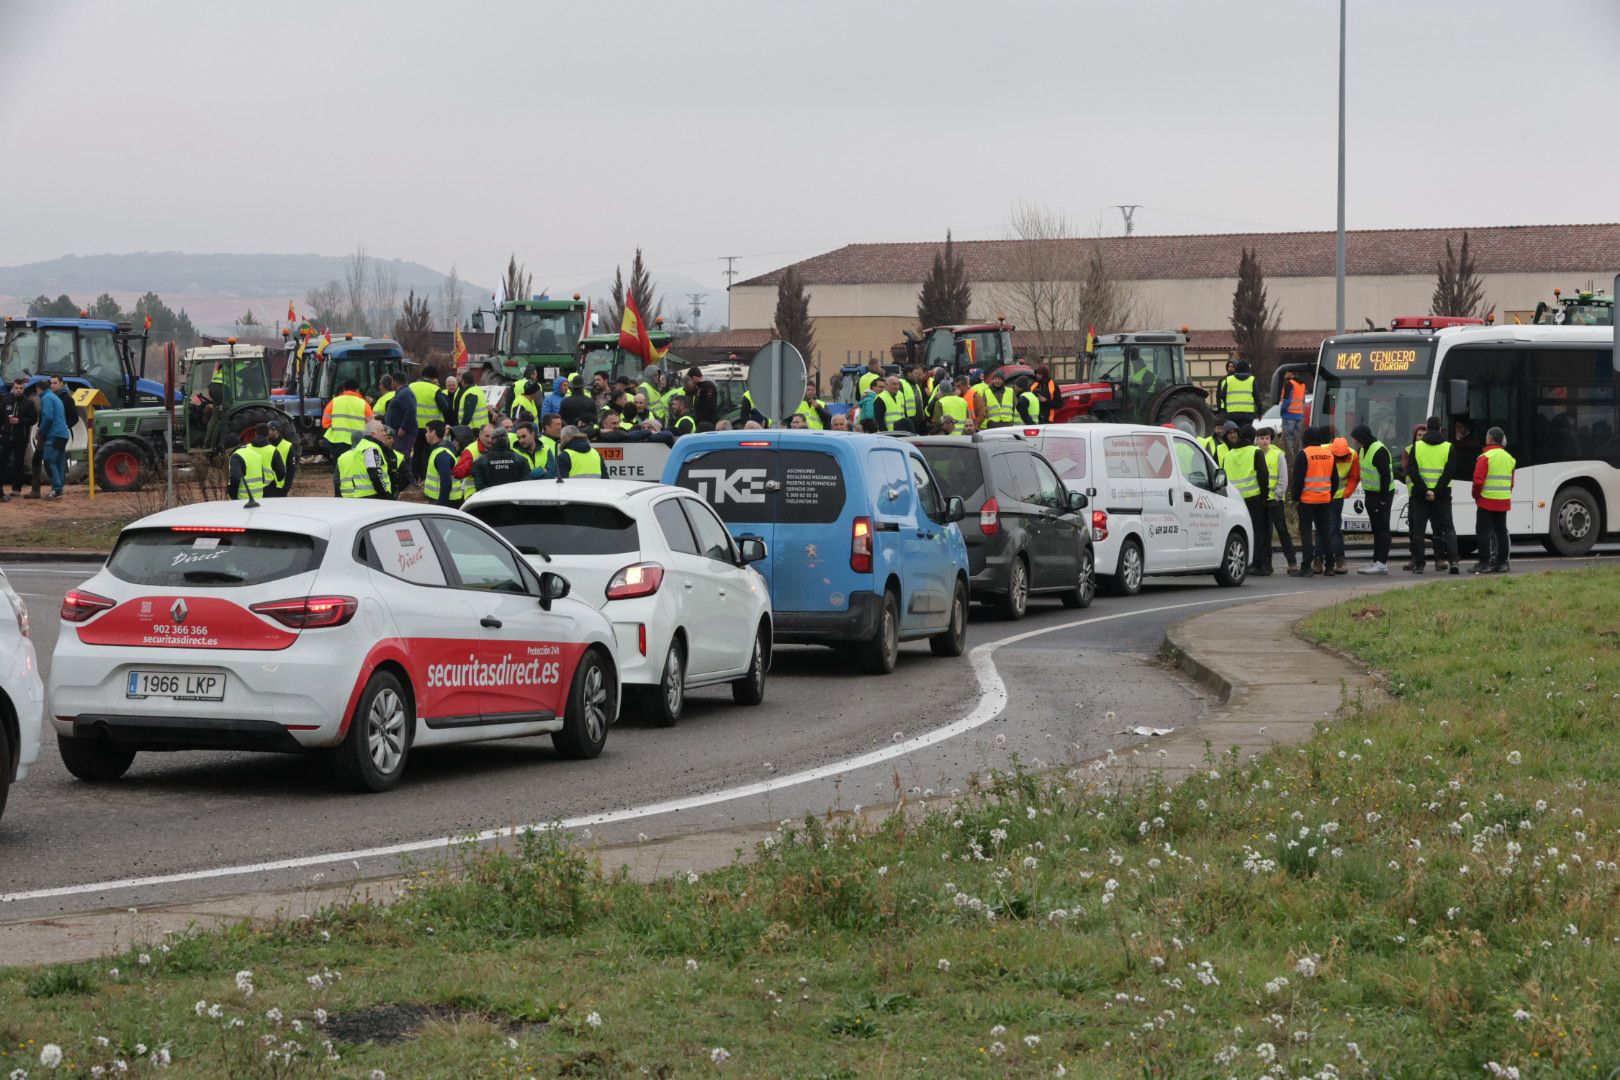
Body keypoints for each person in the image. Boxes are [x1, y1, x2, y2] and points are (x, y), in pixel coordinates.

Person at [1406, 415, 1459, 574]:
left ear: (1427, 429)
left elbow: (1412, 471)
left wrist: (1426, 490)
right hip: (1442, 496)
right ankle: (1454, 562)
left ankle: (1419, 564)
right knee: (1447, 528)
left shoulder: (1417, 447)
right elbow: (1449, 473)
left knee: (1419, 531)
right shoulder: (1449, 447)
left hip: (1421, 496)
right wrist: (1436, 491)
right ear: (1441, 429)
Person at [1288, 426, 1335, 577]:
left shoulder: (1304, 454)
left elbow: (1298, 480)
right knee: (1325, 533)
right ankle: (1330, 566)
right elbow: (1335, 479)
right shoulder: (1329, 454)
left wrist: (1295, 498)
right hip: (1324, 499)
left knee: (1307, 534)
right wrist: (1329, 495)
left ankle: (1306, 567)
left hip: (1307, 500)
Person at [1222, 424, 1266, 573]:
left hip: (1235, 500)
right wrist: (1265, 497)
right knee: (1257, 531)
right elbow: (1263, 475)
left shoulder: (1228, 454)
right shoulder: (1256, 452)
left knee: (1240, 532)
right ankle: (1258, 564)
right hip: (1254, 498)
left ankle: (1244, 563)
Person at [1471, 427, 1514, 573]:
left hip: (1486, 500)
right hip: (1503, 500)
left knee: (1483, 531)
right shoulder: (1510, 458)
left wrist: (1476, 496)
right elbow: (1511, 483)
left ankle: (1484, 563)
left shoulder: (1485, 457)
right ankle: (1502, 563)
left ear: (1489, 439)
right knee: (1501, 530)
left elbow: (1478, 482)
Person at [1351, 424, 1393, 575]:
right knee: (1376, 529)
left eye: (1356, 439)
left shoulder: (1378, 450)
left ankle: (1382, 563)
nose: (1355, 442)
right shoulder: (1364, 449)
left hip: (1382, 494)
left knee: (1382, 528)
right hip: (1370, 494)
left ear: (1363, 437)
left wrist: (1382, 499)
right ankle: (1377, 561)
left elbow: (1385, 476)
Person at [1253, 429, 1295, 574]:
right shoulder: (1254, 454)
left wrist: (1277, 496)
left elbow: (1283, 478)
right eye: (1261, 438)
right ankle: (1267, 563)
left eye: (1267, 438)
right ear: (1256, 440)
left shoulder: (1278, 455)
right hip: (1261, 500)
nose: (1265, 441)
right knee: (1265, 533)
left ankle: (1292, 561)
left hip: (1275, 500)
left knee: (1282, 530)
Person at [334, 418, 393, 499]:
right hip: (373, 495)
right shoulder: (371, 448)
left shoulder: (362, 446)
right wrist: (386, 495)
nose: (385, 433)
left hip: (362, 494)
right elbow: (375, 474)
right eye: (382, 431)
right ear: (373, 434)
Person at [407, 366, 448, 477]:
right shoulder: (434, 389)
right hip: (430, 429)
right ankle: (425, 476)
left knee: (416, 452)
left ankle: (415, 476)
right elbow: (445, 407)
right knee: (427, 453)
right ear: (434, 378)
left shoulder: (411, 386)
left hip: (414, 426)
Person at [1327, 435, 1359, 574]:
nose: (1339, 458)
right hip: (1323, 495)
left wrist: (1347, 492)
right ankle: (1322, 560)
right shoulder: (1324, 451)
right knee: (1326, 528)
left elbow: (1354, 476)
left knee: (1333, 527)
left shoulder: (1352, 455)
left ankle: (1338, 559)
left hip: (1337, 496)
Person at [37, 375, 71, 500]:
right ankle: (59, 489)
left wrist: (40, 432)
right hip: (63, 434)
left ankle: (56, 489)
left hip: (54, 435)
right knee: (59, 463)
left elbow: (48, 417)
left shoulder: (46, 398)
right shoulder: (56, 398)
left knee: (48, 461)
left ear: (38, 389)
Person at [421, 421, 464, 507]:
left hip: (447, 502)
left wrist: (441, 506)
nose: (425, 434)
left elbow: (446, 483)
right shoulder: (439, 449)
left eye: (427, 431)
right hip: (443, 499)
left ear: (433, 433)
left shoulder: (441, 454)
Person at [383, 376, 417, 482]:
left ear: (395, 381)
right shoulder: (401, 392)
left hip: (403, 433)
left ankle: (411, 484)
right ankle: (406, 482)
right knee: (401, 457)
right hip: (399, 432)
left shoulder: (405, 393)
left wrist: (403, 428)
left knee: (402, 458)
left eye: (392, 381)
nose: (390, 383)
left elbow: (410, 411)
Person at [322, 379, 371, 451]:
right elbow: (371, 425)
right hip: (358, 442)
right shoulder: (364, 404)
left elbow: (325, 424)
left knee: (339, 461)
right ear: (357, 390)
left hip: (337, 442)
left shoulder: (334, 402)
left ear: (344, 389)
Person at [6, 378, 34, 499]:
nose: (18, 390)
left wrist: (20, 420)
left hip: (20, 438)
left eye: (21, 388)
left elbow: (33, 419)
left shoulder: (29, 403)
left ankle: (16, 489)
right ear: (13, 387)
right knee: (2, 460)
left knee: (18, 463)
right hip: (6, 436)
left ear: (24, 389)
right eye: (16, 388)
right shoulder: (6, 400)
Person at [227, 429, 268, 502]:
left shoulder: (235, 457)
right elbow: (263, 477)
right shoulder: (254, 453)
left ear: (229, 448)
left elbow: (235, 478)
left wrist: (233, 497)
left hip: (243, 499)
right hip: (259, 497)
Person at [1219, 359, 1260, 425]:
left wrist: (1227, 407)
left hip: (1232, 414)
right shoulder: (1252, 379)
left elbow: (1222, 395)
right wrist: (1259, 413)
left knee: (1235, 432)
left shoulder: (1229, 379)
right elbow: (1257, 398)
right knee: (1246, 433)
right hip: (1248, 414)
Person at [261, 421, 296, 496]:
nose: (267, 432)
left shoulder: (287, 446)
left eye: (269, 430)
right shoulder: (265, 445)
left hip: (281, 487)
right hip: (266, 487)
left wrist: (287, 486)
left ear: (276, 431)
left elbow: (291, 469)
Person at [1279, 370, 1308, 460]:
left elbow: (1287, 400)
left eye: (1286, 373)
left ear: (1290, 374)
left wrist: (1282, 411)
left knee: (1287, 439)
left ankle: (1290, 459)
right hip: (1299, 416)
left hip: (1288, 415)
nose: (1284, 375)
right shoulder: (1302, 384)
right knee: (1298, 439)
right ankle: (1299, 458)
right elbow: (1303, 401)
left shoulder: (1289, 384)